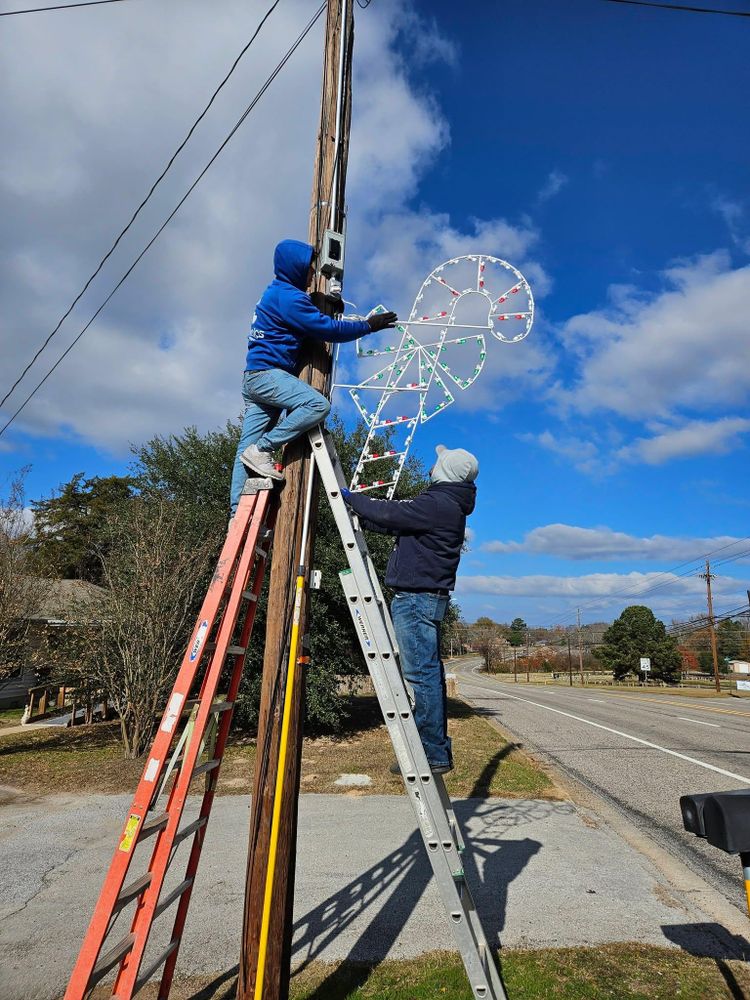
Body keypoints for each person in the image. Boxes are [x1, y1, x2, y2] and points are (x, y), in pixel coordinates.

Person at [230, 238, 397, 513]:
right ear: (295, 268)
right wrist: (369, 325)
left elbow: (312, 319)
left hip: (254, 376)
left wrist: (329, 306)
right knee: (317, 405)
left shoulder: (276, 293)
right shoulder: (290, 299)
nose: (313, 273)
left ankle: (237, 513)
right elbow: (326, 329)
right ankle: (264, 449)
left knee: (244, 447)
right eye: (309, 267)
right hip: (268, 375)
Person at [341, 444, 478, 774]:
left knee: (421, 674)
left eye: (437, 462)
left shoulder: (438, 502)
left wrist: (348, 497)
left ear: (445, 469)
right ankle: (434, 748)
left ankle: (431, 752)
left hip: (417, 599)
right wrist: (364, 517)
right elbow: (396, 524)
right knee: (426, 672)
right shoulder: (447, 504)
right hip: (423, 598)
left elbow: (390, 514)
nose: (431, 467)